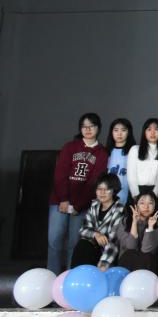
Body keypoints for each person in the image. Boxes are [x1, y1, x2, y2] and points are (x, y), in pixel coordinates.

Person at [48, 113, 109, 273]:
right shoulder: (70, 147)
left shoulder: (102, 153)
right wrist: (64, 199)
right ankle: (52, 275)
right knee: (54, 241)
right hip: (60, 201)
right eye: (84, 126)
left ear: (98, 128)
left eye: (91, 126)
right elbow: (60, 174)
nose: (88, 129)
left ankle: (70, 276)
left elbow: (94, 181)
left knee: (74, 244)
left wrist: (79, 205)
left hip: (82, 205)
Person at [70, 174, 126, 270]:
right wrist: (96, 234)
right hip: (94, 250)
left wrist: (104, 264)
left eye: (107, 189)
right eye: (99, 189)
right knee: (83, 244)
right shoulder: (94, 205)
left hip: (111, 253)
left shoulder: (119, 209)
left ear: (114, 190)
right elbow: (83, 230)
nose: (102, 192)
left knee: (87, 248)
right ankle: (76, 273)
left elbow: (114, 241)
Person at [116, 191, 158, 272]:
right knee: (130, 254)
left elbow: (146, 250)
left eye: (150, 203)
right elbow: (130, 247)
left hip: (147, 264)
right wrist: (134, 222)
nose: (146, 207)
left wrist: (150, 227)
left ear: (155, 206)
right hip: (128, 262)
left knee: (147, 257)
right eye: (142, 203)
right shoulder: (125, 222)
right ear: (136, 205)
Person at [126, 118, 158, 205]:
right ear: (144, 132)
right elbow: (131, 174)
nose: (152, 133)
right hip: (137, 191)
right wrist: (136, 195)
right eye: (149, 129)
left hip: (157, 192)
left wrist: (154, 194)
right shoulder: (135, 149)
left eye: (156, 129)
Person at [105, 118, 135, 204]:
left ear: (129, 132)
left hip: (128, 196)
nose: (119, 133)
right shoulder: (106, 152)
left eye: (123, 130)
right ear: (111, 132)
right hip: (107, 195)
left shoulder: (134, 151)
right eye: (116, 130)